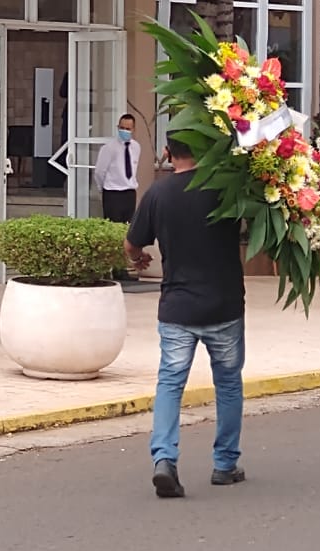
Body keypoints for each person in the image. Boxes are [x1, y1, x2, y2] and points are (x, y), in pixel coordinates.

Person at [125, 136, 246, 499]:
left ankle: (164, 458)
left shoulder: (158, 194)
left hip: (177, 307)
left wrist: (138, 258)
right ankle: (225, 464)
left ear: (167, 153)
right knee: (227, 383)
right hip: (224, 305)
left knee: (170, 383)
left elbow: (133, 242)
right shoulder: (225, 190)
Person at [93, 113, 141, 225]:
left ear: (133, 129)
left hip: (129, 193)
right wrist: (102, 188)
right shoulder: (108, 148)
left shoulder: (136, 147)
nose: (124, 131)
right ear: (118, 127)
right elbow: (99, 171)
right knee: (113, 226)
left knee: (128, 227)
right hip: (112, 193)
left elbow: (133, 168)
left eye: (128, 129)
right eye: (122, 128)